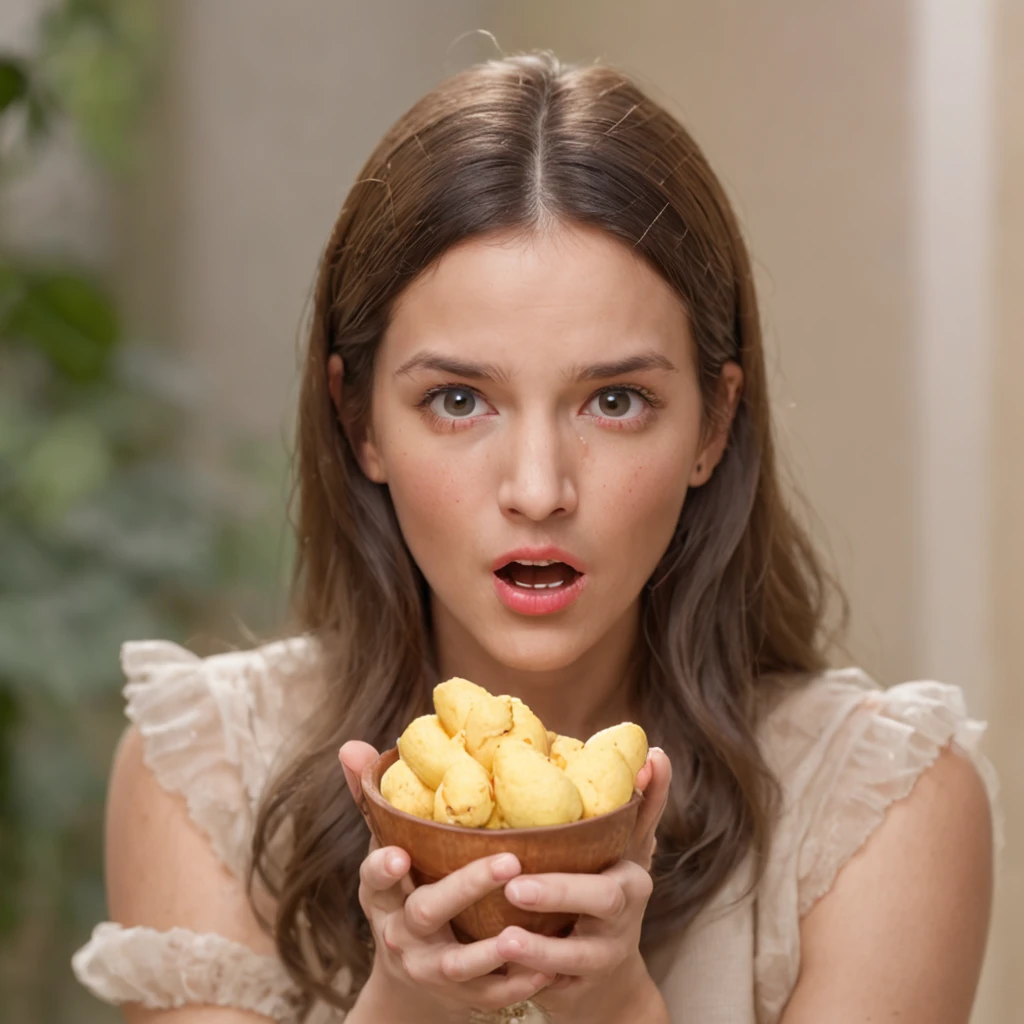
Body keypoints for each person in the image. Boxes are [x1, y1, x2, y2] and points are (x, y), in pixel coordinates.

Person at [71, 50, 1000, 1024]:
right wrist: (408, 1004)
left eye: (614, 400)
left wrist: (613, 1006)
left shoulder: (882, 811)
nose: (538, 490)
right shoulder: (210, 774)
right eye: (459, 399)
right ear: (359, 422)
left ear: (714, 425)